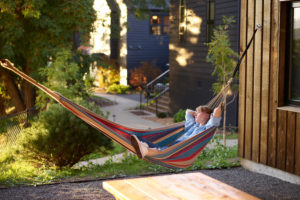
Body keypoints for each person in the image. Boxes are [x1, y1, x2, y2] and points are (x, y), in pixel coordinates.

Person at [131, 103, 223, 159]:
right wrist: (197, 113)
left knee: (160, 151)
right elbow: (188, 111)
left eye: (199, 113)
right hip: (172, 147)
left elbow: (216, 113)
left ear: (207, 116)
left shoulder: (207, 128)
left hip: (177, 151)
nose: (195, 114)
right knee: (137, 137)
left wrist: (220, 104)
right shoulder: (192, 124)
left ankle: (144, 149)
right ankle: (143, 147)